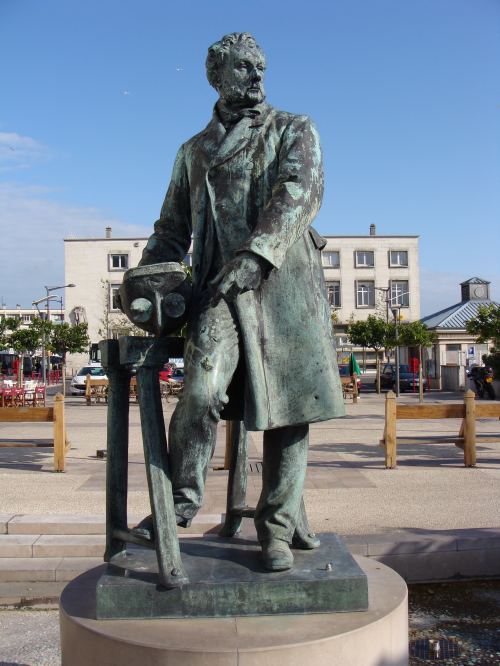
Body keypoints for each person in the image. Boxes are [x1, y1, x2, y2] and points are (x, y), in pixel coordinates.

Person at [135, 32, 344, 571]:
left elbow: (300, 193)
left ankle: (274, 525)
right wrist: (145, 278)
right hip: (219, 290)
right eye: (244, 67)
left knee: (287, 411)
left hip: (282, 285)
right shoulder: (194, 151)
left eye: (260, 67)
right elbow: (170, 229)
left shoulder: (294, 128)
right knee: (201, 390)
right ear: (217, 75)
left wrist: (257, 252)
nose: (257, 76)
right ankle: (181, 501)